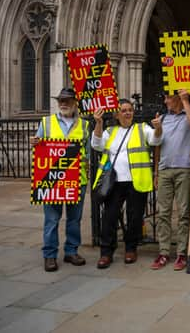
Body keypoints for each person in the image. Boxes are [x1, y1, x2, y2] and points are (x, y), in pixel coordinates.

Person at [91, 99, 162, 269]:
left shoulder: (141, 128)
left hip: (135, 181)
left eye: (130, 110)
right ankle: (106, 252)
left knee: (134, 217)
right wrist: (98, 123)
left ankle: (131, 249)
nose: (128, 113)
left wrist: (158, 127)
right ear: (117, 114)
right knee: (109, 217)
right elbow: (96, 145)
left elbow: (155, 140)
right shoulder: (109, 131)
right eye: (123, 110)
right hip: (114, 183)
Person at [31, 88, 89, 272]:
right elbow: (38, 147)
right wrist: (34, 142)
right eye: (60, 100)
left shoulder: (84, 125)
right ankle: (49, 255)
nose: (63, 103)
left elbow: (87, 153)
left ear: (74, 103)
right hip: (51, 179)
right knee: (52, 219)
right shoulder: (46, 123)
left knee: (74, 219)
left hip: (76, 180)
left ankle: (71, 251)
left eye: (67, 100)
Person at [150, 89, 190, 271]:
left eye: (168, 97)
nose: (165, 101)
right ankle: (163, 252)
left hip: (183, 169)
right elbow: (157, 146)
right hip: (164, 170)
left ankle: (181, 253)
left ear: (178, 98)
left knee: (183, 213)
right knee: (163, 212)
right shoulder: (162, 118)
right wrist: (156, 171)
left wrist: (185, 101)